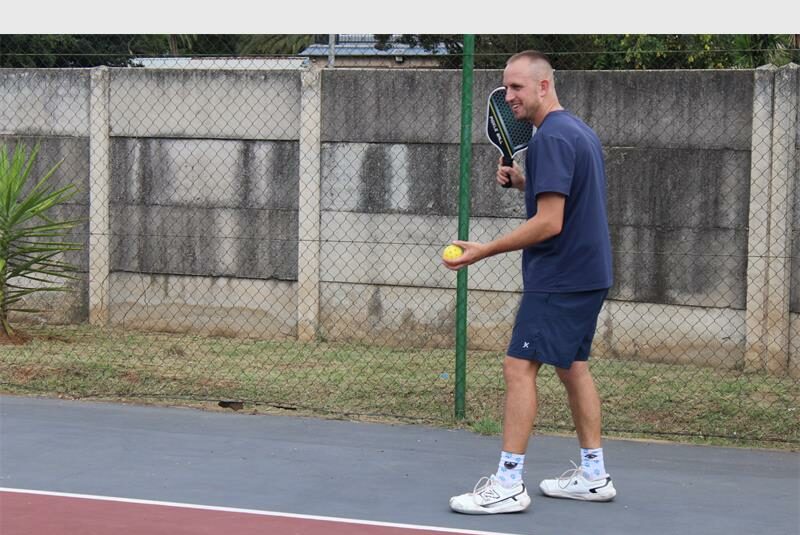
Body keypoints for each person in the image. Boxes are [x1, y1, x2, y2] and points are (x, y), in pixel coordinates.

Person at [443, 50, 616, 514]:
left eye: (517, 87)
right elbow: (569, 193)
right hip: (589, 274)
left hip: (559, 276)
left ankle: (508, 483)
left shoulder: (550, 140)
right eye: (505, 87)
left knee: (518, 367)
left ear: (544, 86)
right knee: (572, 367)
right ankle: (595, 475)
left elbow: (550, 223)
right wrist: (525, 181)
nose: (507, 96)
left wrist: (484, 249)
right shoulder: (574, 131)